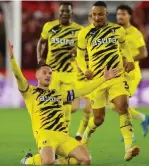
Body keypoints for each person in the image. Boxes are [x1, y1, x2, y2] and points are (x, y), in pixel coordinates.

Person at [7, 40, 119, 165]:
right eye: (45, 73)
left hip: (63, 136)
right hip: (46, 136)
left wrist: (103, 78)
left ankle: (57, 161)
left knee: (86, 159)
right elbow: (18, 76)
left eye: (50, 73)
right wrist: (12, 58)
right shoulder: (30, 92)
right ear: (37, 75)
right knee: (48, 161)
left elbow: (82, 90)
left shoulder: (59, 94)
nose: (48, 75)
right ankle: (28, 160)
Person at [76, 1, 139, 161]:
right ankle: (85, 137)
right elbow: (80, 57)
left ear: (106, 14)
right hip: (98, 80)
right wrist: (85, 70)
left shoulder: (117, 30)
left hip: (117, 76)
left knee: (122, 107)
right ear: (91, 15)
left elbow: (125, 48)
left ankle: (128, 148)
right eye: (94, 14)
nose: (96, 17)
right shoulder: (84, 33)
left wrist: (130, 59)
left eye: (100, 14)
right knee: (98, 118)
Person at [37, 2, 83, 134]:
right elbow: (41, 42)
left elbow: (85, 50)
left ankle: (64, 137)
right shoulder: (50, 26)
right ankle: (53, 134)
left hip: (69, 73)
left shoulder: (79, 30)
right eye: (62, 11)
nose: (64, 14)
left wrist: (77, 52)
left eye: (67, 12)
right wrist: (40, 59)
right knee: (55, 106)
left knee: (68, 106)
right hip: (53, 73)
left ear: (71, 13)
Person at [116, 5, 149, 140]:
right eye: (119, 14)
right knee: (116, 105)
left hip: (131, 75)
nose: (120, 16)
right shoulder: (115, 32)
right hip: (118, 74)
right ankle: (143, 118)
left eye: (123, 14)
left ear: (129, 16)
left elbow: (144, 53)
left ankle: (129, 133)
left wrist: (128, 60)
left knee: (120, 104)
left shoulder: (135, 33)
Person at [74, 13, 94, 142]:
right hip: (78, 76)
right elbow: (75, 53)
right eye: (91, 17)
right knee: (73, 108)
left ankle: (79, 134)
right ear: (89, 19)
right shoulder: (82, 33)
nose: (94, 19)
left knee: (87, 109)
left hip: (92, 77)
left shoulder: (103, 34)